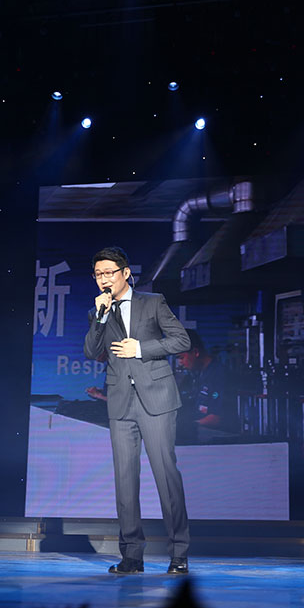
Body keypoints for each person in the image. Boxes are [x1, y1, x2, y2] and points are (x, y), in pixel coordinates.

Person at [83, 246, 192, 575]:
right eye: (98, 274)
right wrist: (100, 316)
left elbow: (181, 341)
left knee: (166, 476)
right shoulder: (98, 312)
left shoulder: (153, 302)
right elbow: (91, 351)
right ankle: (132, 556)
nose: (104, 279)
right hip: (120, 402)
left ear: (125, 273)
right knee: (125, 481)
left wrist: (141, 348)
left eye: (109, 272)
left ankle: (179, 554)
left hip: (157, 399)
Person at [176, 329, 239, 443]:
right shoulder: (198, 375)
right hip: (201, 435)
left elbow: (217, 418)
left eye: (181, 357)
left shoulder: (219, 375)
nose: (180, 363)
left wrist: (188, 426)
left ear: (195, 352)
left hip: (221, 441)